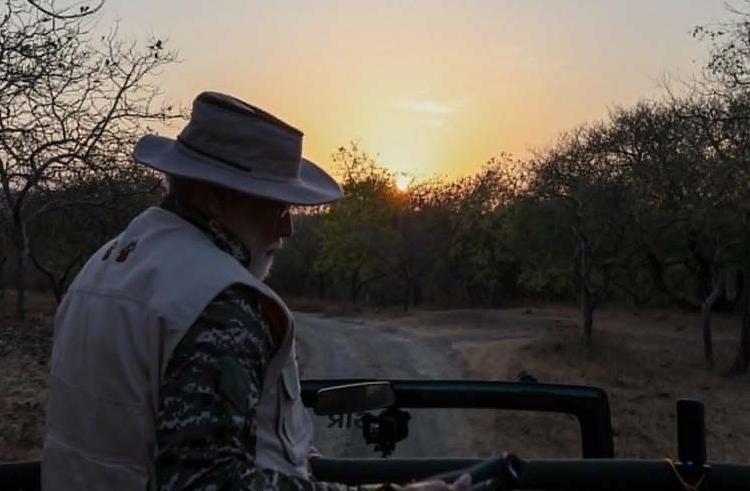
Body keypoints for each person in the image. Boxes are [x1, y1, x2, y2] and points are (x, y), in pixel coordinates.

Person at [42, 91, 471, 491]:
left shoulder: (105, 264)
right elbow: (211, 482)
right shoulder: (221, 301)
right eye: (277, 205)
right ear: (217, 195)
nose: (286, 228)